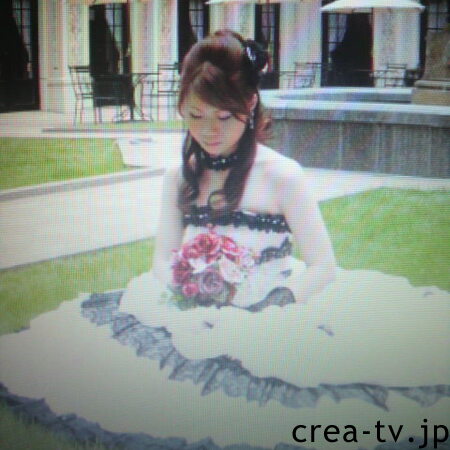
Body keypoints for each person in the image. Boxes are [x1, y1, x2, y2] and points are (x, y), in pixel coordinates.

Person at [0, 30, 449, 450]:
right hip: (195, 306)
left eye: (223, 116)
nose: (209, 130)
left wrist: (276, 300)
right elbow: (162, 258)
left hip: (273, 306)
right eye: (195, 116)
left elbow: (323, 267)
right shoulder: (180, 176)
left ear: (250, 105)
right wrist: (185, 288)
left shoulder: (283, 175)